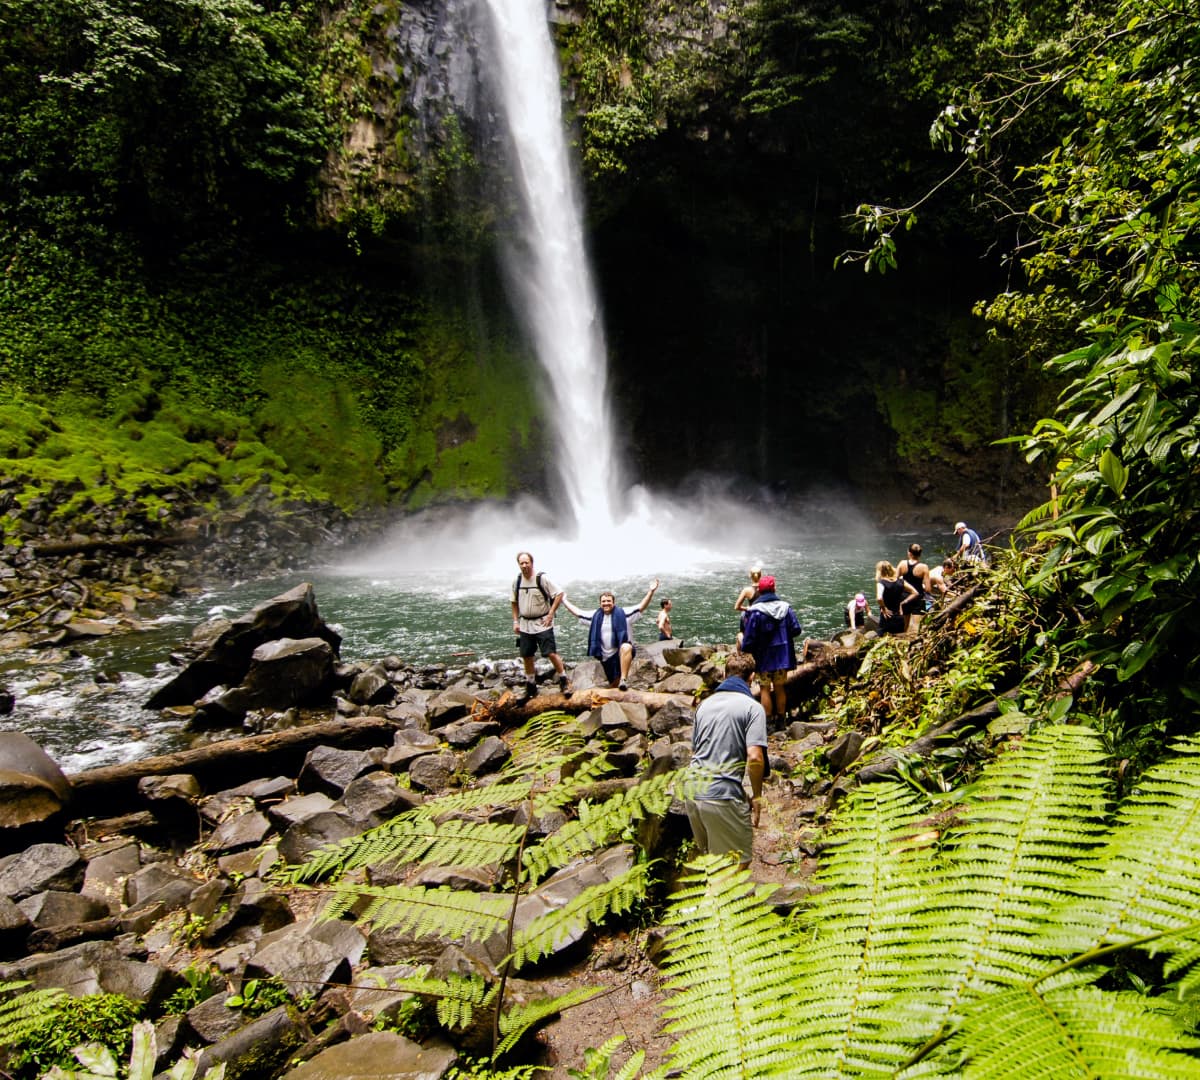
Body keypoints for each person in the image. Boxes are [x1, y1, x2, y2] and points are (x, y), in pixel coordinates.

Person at [684, 650, 767, 869]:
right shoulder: (753, 708)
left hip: (692, 791)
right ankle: (710, 903)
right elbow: (755, 758)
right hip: (720, 794)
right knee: (737, 865)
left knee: (713, 863)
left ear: (724, 674)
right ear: (752, 678)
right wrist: (757, 797)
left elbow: (698, 752)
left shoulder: (703, 706)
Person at [561, 579, 660, 690]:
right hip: (605, 657)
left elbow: (641, 606)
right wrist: (563, 600)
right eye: (603, 601)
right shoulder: (595, 616)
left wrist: (651, 591)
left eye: (608, 601)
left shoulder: (624, 614)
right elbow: (577, 612)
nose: (606, 603)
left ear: (613, 602)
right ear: (600, 603)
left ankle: (624, 679)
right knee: (614, 684)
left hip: (620, 653)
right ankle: (617, 688)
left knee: (626, 647)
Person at [739, 574, 802, 723]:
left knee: (764, 689)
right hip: (782, 656)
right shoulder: (786, 608)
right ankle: (781, 720)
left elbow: (749, 637)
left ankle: (767, 723)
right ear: (774, 589)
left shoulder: (754, 611)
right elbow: (796, 630)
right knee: (780, 687)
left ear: (759, 590)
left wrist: (745, 651)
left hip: (763, 657)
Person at [511, 551, 568, 698]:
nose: (524, 566)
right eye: (521, 563)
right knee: (526, 655)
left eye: (527, 562)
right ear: (518, 564)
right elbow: (514, 602)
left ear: (532, 563)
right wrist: (515, 621)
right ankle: (531, 685)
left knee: (550, 653)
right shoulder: (517, 581)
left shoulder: (542, 579)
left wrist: (551, 614)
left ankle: (563, 679)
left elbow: (560, 593)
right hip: (525, 624)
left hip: (542, 623)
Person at [895, 542, 931, 631]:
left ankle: (903, 642)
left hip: (904, 596)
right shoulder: (924, 567)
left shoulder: (902, 563)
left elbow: (895, 581)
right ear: (920, 554)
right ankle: (913, 642)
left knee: (905, 624)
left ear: (909, 553)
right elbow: (928, 589)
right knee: (916, 624)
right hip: (918, 598)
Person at [875, 560, 918, 634]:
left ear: (879, 571)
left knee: (882, 638)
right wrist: (903, 602)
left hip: (887, 617)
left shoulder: (881, 583)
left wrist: (884, 608)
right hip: (900, 616)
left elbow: (879, 598)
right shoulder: (901, 581)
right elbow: (915, 593)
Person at [734, 566, 763, 649]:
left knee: (743, 614)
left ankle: (743, 639)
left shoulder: (747, 590)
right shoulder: (765, 589)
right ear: (761, 575)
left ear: (750, 576)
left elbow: (736, 607)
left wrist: (747, 608)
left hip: (751, 617)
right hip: (763, 615)